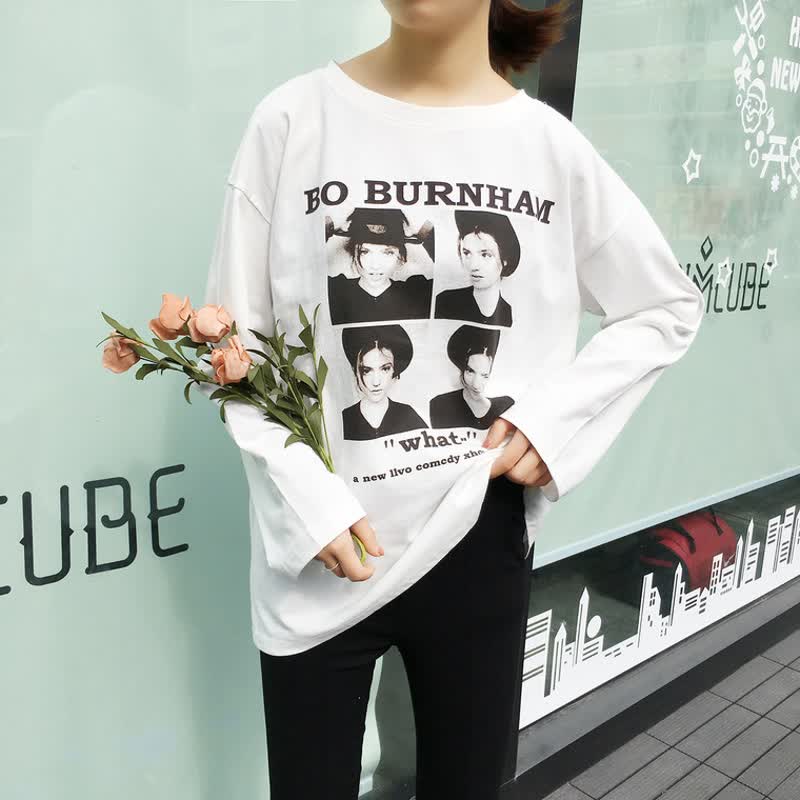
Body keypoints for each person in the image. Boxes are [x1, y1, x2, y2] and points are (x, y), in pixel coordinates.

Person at [200, 0, 705, 797]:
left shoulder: (548, 149)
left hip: (477, 529)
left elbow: (665, 305)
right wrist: (306, 497)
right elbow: (235, 352)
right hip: (323, 541)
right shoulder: (293, 123)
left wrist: (551, 425)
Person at [327, 207, 435, 324]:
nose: (375, 265)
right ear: (353, 252)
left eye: (388, 253)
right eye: (364, 252)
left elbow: (450, 282)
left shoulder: (418, 294)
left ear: (401, 257)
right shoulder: (335, 291)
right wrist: (330, 224)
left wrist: (423, 230)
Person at [340, 324, 428, 439]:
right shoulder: (344, 418)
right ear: (355, 371)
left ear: (394, 370)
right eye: (366, 371)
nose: (376, 382)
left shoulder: (408, 415)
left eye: (385, 369)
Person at [434, 209, 520, 326]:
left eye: (485, 255)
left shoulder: (509, 313)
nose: (473, 266)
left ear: (505, 259)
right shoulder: (445, 301)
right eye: (467, 253)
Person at [430, 324, 514, 429]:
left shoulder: (507, 405)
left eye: (485, 375)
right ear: (462, 369)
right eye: (470, 371)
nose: (476, 384)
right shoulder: (440, 404)